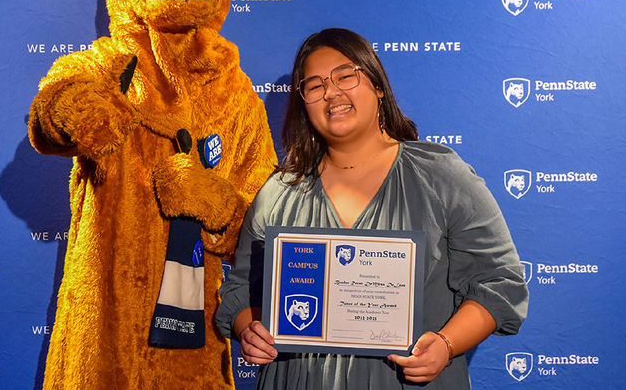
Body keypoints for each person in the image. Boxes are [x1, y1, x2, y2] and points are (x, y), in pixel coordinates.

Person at [216, 28, 529, 389]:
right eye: (315, 86)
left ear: (378, 85)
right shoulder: (278, 194)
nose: (331, 92)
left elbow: (499, 282)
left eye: (345, 75)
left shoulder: (441, 178)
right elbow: (240, 290)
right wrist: (248, 327)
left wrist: (445, 345)